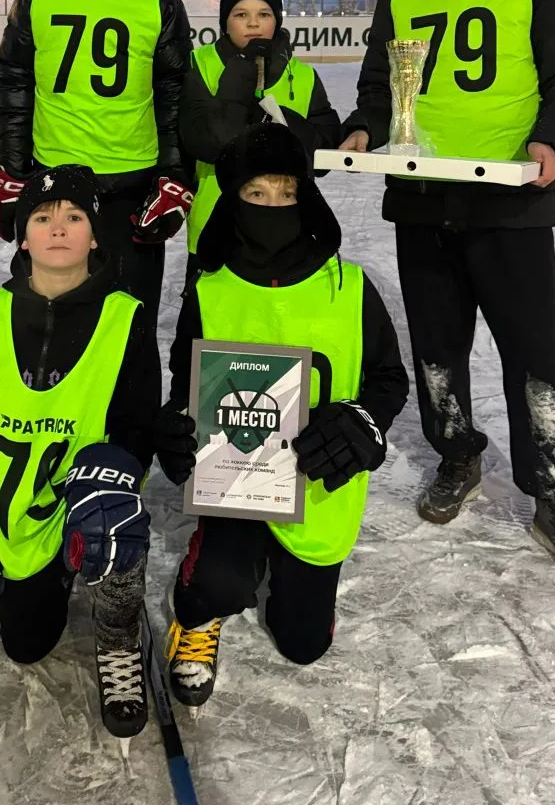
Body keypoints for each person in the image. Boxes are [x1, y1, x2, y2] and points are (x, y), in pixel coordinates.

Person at [339, 0, 555, 587]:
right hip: (422, 201)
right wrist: (362, 127)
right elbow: (377, 87)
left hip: (509, 203)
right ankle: (457, 453)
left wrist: (554, 142)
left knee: (535, 355)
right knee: (436, 348)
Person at [153, 123, 408, 711]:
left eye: (287, 192)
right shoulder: (210, 289)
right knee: (219, 581)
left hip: (319, 488)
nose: (272, 205)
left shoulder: (349, 286)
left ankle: (293, 584)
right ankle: (199, 605)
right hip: (237, 485)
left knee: (302, 645)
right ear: (234, 199)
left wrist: (363, 421)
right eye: (256, 193)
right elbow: (185, 385)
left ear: (306, 197)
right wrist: (176, 429)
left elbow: (389, 379)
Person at [0, 165, 160, 739]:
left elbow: (139, 425)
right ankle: (52, 572)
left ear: (94, 236)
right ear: (23, 237)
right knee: (26, 644)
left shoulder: (126, 317)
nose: (57, 227)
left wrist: (119, 476)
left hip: (91, 498)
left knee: (117, 524)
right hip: (18, 505)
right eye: (42, 217)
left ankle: (118, 630)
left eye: (74, 216)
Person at [0, 0, 193, 332]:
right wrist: (12, 167)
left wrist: (174, 175)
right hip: (54, 181)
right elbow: (15, 79)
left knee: (130, 325)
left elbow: (174, 92)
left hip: (133, 185)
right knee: (51, 322)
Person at [179, 0, 341, 273]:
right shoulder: (199, 64)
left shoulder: (303, 76)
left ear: (276, 20)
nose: (253, 23)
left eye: (263, 14)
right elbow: (207, 141)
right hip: (215, 232)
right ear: (225, 21)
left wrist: (281, 123)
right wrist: (242, 72)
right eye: (241, 14)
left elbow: (324, 155)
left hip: (289, 233)